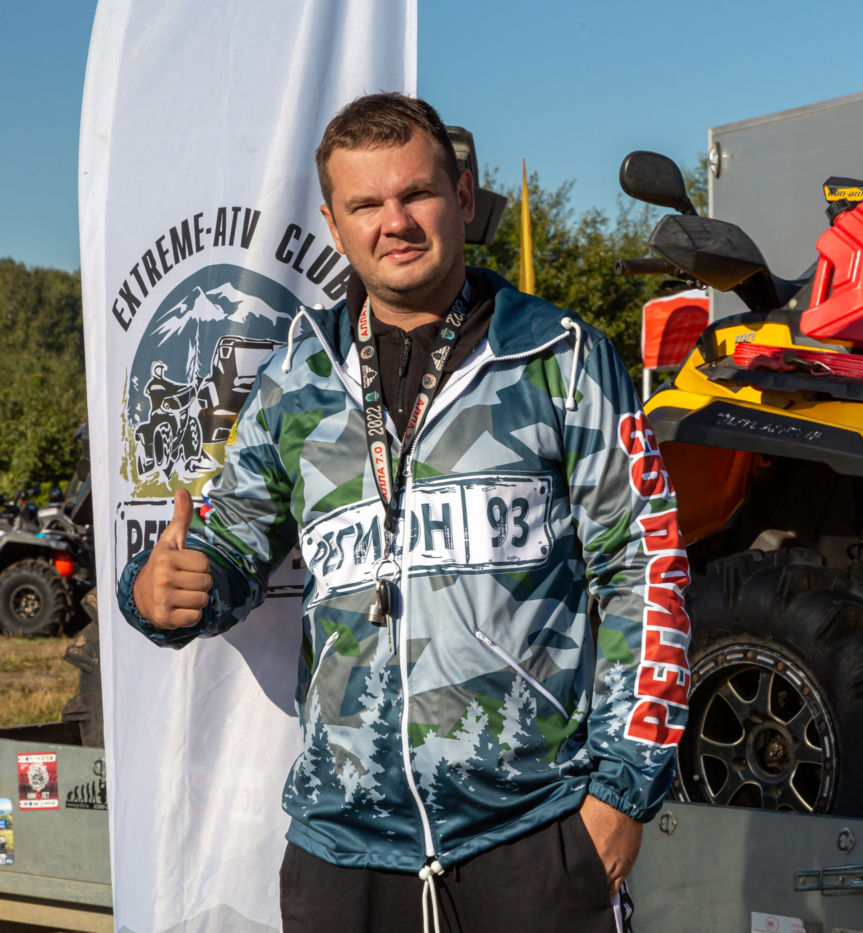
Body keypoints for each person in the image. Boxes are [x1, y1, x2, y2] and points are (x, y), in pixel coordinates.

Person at [118, 93, 690, 933]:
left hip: (532, 836)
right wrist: (160, 588)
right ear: (333, 223)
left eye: (416, 193)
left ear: (462, 196)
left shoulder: (560, 357)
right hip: (343, 850)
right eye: (365, 205)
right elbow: (229, 544)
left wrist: (621, 793)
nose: (395, 222)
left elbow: (647, 572)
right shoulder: (298, 379)